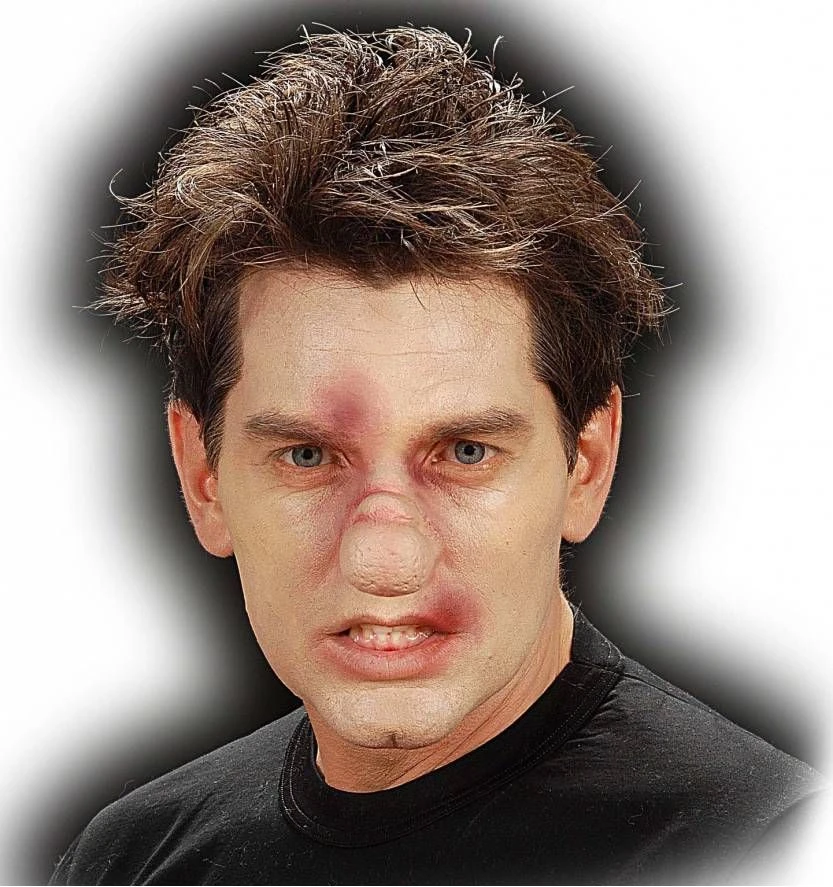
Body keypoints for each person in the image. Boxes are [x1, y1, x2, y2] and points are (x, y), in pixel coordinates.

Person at [49, 25, 824, 885]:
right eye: (307, 455)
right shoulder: (130, 859)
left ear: (587, 462)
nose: (384, 558)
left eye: (464, 450)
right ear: (202, 478)